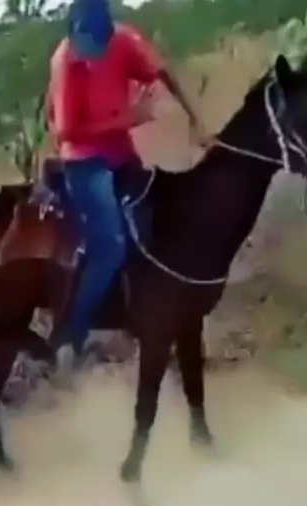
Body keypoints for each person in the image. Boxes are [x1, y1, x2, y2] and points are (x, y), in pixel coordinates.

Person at [46, 0, 212, 382]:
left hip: (120, 153)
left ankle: (154, 318)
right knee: (111, 245)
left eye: (103, 42)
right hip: (83, 160)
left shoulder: (123, 40)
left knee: (161, 220)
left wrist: (196, 121)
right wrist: (128, 118)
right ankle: (72, 335)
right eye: (92, 44)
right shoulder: (65, 61)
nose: (98, 51)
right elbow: (66, 130)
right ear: (75, 35)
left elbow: (162, 71)